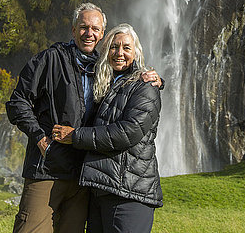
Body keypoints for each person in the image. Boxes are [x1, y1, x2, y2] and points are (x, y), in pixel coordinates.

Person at [6, 4, 161, 233]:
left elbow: (131, 93)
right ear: (73, 29)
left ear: (102, 33)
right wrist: (39, 138)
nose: (89, 33)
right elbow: (18, 101)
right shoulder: (51, 59)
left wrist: (156, 79)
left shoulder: (104, 68)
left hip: (83, 178)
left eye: (95, 29)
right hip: (48, 169)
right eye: (83, 27)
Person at [52, 23, 163, 233]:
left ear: (136, 53)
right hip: (102, 188)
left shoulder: (145, 86)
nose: (119, 53)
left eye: (126, 48)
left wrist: (75, 137)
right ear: (105, 51)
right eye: (113, 47)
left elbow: (127, 133)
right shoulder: (104, 84)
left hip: (129, 191)